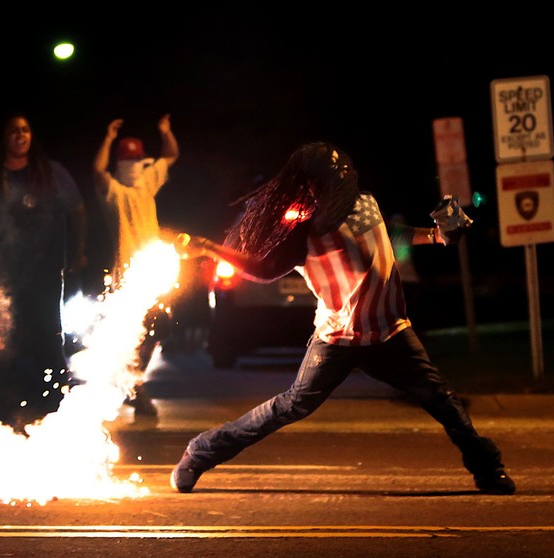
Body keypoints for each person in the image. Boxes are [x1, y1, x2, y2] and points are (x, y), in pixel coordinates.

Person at [170, 141, 515, 495]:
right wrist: (209, 247)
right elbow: (264, 270)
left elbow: (387, 232)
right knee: (291, 406)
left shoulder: (364, 202)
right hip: (338, 339)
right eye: (332, 176)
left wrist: (436, 235)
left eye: (342, 173)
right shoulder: (302, 229)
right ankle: (201, 452)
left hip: (390, 332)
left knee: (441, 399)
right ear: (311, 185)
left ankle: (489, 470)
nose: (342, 179)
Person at [0, 111, 88, 431]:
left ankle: (57, 401)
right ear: (4, 138)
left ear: (31, 137)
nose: (20, 135)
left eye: (25, 130)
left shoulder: (50, 173)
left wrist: (78, 250)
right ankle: (1, 403)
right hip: (1, 270)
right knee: (2, 335)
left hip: (45, 268)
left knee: (47, 333)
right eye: (14, 131)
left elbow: (77, 211)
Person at [93, 114, 179, 419]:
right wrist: (108, 138)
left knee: (157, 331)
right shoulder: (115, 193)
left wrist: (165, 132)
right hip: (126, 278)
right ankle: (134, 388)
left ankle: (132, 382)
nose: (133, 165)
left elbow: (171, 155)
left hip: (152, 273)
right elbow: (98, 170)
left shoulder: (147, 185)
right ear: (121, 164)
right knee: (131, 333)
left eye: (136, 159)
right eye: (127, 160)